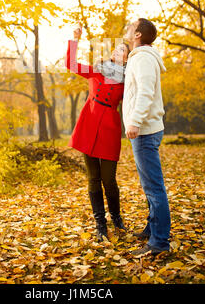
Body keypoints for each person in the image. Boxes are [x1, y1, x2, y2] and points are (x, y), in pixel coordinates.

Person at [65, 23, 129, 242]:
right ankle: (100, 224)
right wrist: (75, 39)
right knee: (93, 178)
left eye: (122, 50)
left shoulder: (128, 80)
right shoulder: (97, 70)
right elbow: (71, 64)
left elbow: (133, 102)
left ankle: (116, 217)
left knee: (108, 179)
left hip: (109, 129)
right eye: (116, 49)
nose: (116, 51)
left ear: (127, 58)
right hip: (88, 124)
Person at [123, 18, 171, 257]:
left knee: (154, 187)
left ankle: (159, 241)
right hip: (146, 129)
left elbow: (145, 91)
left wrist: (134, 121)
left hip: (144, 130)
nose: (128, 28)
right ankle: (152, 227)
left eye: (131, 26)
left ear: (138, 34)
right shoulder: (139, 57)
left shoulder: (141, 58)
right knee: (149, 185)